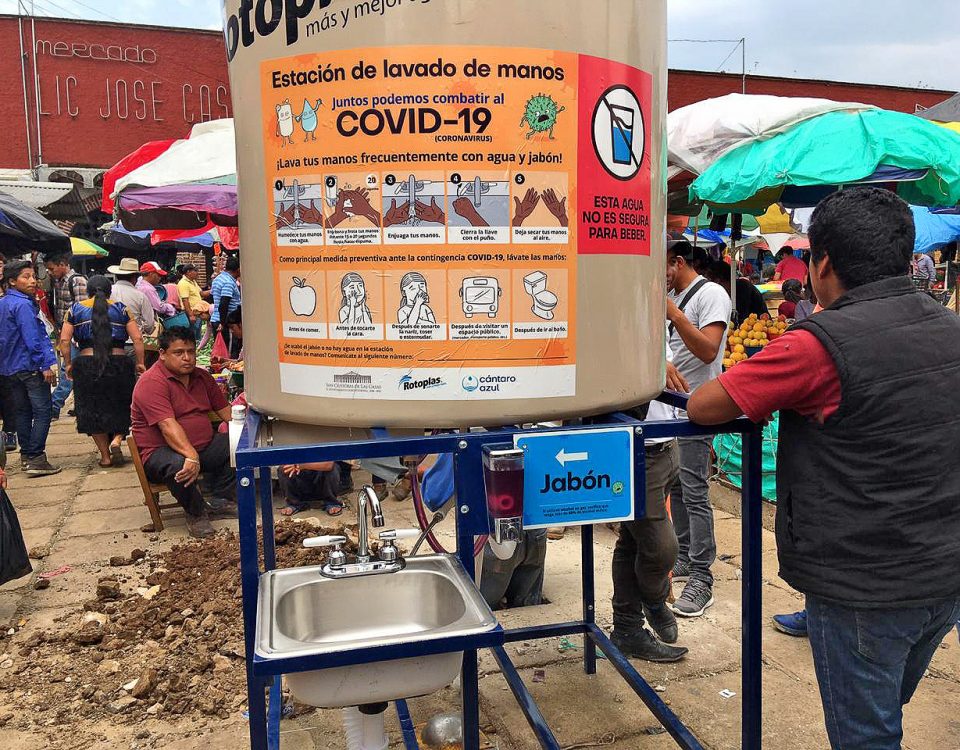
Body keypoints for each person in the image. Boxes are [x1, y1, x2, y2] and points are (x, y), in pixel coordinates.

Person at [687, 187, 960, 750]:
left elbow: (704, 406)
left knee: (866, 733)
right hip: (944, 571)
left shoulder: (816, 345)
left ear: (822, 263)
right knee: (883, 708)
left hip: (864, 583)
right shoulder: (949, 327)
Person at [664, 239, 730, 618]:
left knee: (695, 490)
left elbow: (708, 350)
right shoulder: (677, 296)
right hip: (670, 409)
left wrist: (675, 315)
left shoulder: (712, 295)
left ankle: (703, 576)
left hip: (699, 407)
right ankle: (687, 555)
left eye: (665, 271)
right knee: (677, 486)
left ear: (678, 262)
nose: (664, 279)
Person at [610, 359, 690, 663]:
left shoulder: (657, 319)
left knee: (633, 541)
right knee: (661, 548)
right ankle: (654, 600)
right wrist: (655, 364)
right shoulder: (630, 318)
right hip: (638, 449)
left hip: (666, 444)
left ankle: (627, 629)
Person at [130, 327, 237, 538]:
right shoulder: (151, 382)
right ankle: (196, 513)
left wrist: (247, 428)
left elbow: (226, 412)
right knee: (177, 463)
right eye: (179, 353)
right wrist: (191, 455)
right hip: (160, 452)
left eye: (191, 351)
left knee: (236, 442)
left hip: (201, 447)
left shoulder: (202, 377)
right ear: (162, 354)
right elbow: (168, 426)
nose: (187, 358)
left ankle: (220, 499)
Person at [60, 276, 145, 468]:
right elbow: (137, 338)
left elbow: (65, 341)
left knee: (91, 409)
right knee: (122, 403)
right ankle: (117, 438)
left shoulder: (74, 310)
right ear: (110, 292)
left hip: (87, 364)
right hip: (119, 363)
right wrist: (140, 363)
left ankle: (105, 456)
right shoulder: (121, 308)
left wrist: (68, 364)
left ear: (89, 291)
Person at [0, 261, 60, 476]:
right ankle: (35, 456)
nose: (33, 281)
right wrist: (45, 365)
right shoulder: (23, 305)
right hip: (29, 365)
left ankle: (27, 455)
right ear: (12, 281)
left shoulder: (3, 303)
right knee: (44, 411)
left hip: (9, 368)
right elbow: (32, 338)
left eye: (33, 276)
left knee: (22, 412)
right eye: (26, 277)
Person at [44, 252, 87, 420]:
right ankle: (81, 405)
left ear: (62, 264)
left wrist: (75, 337)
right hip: (66, 333)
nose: (49, 272)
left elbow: (82, 311)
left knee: (68, 370)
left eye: (52, 268)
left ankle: (54, 406)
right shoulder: (58, 282)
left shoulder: (76, 281)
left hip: (76, 335)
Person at [706, 260, 767, 325]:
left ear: (718, 280)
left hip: (757, 327)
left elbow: (742, 319)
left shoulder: (743, 288)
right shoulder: (719, 295)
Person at [106, 258, 156, 336]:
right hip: (133, 341)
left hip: (108, 339)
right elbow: (149, 325)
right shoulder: (140, 296)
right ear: (134, 278)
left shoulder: (107, 291)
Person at [278, 462, 343, 516]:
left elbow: (329, 465)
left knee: (333, 469)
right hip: (300, 479)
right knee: (284, 468)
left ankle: (331, 502)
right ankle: (293, 503)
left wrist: (301, 465)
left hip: (320, 480)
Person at [211, 255, 242, 357]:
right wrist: (223, 323)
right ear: (238, 269)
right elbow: (224, 303)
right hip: (226, 322)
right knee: (228, 354)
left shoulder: (218, 279)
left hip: (217, 319)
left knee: (222, 353)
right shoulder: (228, 282)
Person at [176, 264, 211, 334]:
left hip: (197, 312)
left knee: (196, 335)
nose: (197, 273)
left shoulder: (193, 282)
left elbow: (201, 293)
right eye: (195, 271)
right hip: (191, 313)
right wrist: (191, 315)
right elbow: (185, 300)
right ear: (188, 272)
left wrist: (214, 290)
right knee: (192, 335)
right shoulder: (183, 283)